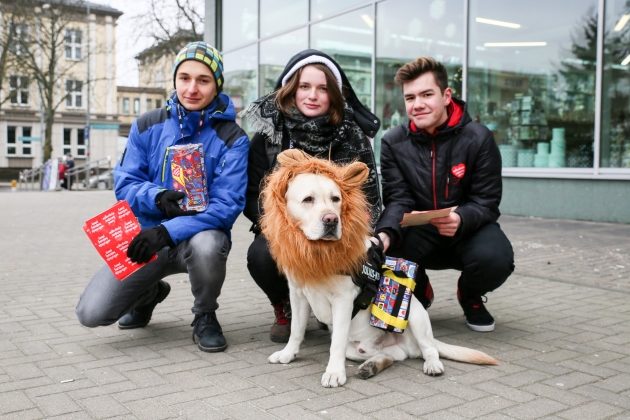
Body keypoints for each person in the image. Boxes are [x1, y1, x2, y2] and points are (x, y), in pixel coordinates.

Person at [75, 41, 249, 352]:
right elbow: (125, 183)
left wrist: (167, 231)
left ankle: (205, 315)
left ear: (216, 85)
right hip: (146, 238)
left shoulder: (232, 138)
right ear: (175, 80)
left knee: (209, 244)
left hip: (196, 237)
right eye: (184, 78)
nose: (192, 88)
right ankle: (149, 294)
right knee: (91, 313)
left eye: (203, 80)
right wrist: (156, 197)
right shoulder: (147, 124)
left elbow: (227, 206)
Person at [241, 49, 382, 343]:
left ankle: (339, 307)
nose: (313, 95)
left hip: (339, 228)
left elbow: (369, 198)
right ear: (291, 89)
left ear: (334, 94)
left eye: (323, 88)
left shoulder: (352, 136)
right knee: (261, 255)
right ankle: (286, 307)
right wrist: (289, 227)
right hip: (288, 227)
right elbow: (254, 193)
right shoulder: (269, 136)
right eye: (305, 86)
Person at [374, 57, 514, 332]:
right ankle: (420, 290)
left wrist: (461, 218)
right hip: (420, 232)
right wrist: (384, 234)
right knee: (385, 252)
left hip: (467, 229)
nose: (418, 104)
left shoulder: (479, 138)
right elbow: (397, 198)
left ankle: (470, 295)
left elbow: (486, 202)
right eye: (410, 97)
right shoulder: (393, 142)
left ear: (446, 95)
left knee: (496, 259)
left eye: (427, 94)